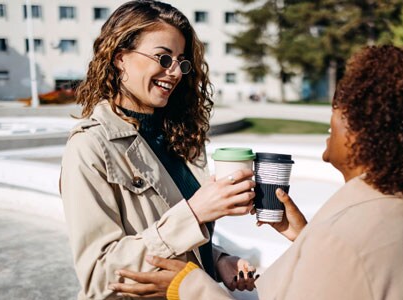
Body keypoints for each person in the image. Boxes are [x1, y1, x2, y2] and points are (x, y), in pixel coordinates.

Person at [110, 46, 403, 299]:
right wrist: (306, 235)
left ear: (375, 128)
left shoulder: (344, 234)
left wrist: (187, 286)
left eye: (348, 105)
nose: (334, 111)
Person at [59, 1, 257, 299]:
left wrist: (217, 261)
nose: (176, 72)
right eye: (163, 58)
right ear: (119, 58)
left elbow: (169, 240)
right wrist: (195, 212)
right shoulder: (89, 146)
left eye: (181, 61)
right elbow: (100, 275)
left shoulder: (178, 136)